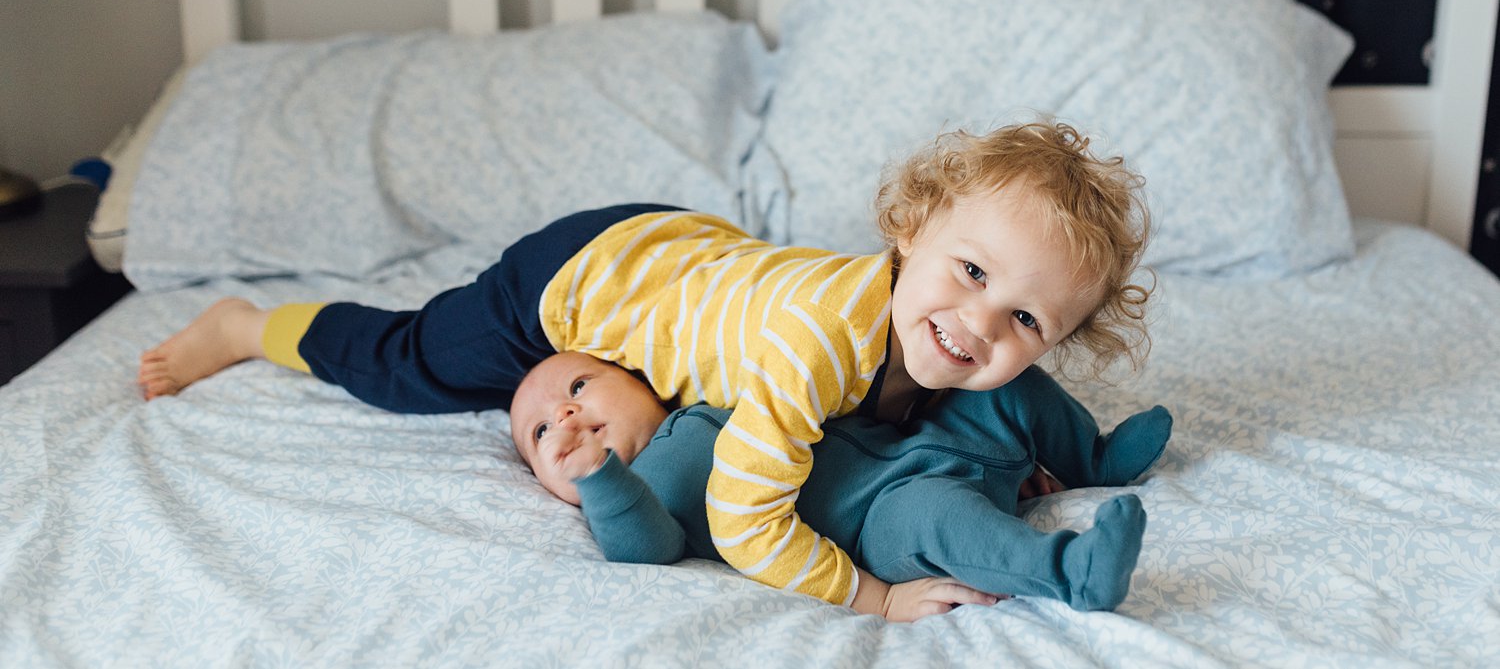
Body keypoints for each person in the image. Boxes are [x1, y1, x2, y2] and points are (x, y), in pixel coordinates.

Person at [139, 121, 1152, 620]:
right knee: (416, 360)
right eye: (969, 270)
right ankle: (247, 326)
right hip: (584, 277)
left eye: (1022, 315)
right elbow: (752, 520)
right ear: (906, 229)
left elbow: (932, 418)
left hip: (692, 249)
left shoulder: (938, 336)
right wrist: (872, 601)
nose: (976, 322)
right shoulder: (816, 346)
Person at [512, 351, 1172, 614]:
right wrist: (602, 481)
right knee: (940, 517)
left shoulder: (711, 399)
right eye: (541, 433)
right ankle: (1072, 571)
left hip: (920, 439)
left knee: (1005, 384)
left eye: (577, 385)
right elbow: (644, 546)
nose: (564, 415)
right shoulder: (637, 493)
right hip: (881, 516)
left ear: (638, 380)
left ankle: (1091, 458)